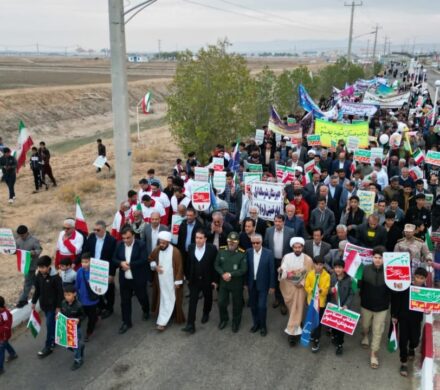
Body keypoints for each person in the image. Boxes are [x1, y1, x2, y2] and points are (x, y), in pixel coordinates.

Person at [391, 267, 428, 377]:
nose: (419, 280)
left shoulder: (426, 292)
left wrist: (428, 309)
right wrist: (395, 315)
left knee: (415, 340)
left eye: (421, 278)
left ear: (425, 279)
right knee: (403, 340)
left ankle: (411, 348)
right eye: (417, 277)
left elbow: (429, 305)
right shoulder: (406, 287)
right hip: (403, 318)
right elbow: (397, 300)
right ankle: (404, 362)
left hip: (416, 320)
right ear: (414, 276)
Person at [113, 226, 150, 334]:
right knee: (124, 302)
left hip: (138, 278)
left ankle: (146, 310)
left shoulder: (141, 245)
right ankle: (126, 322)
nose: (126, 240)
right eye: (123, 238)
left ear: (133, 236)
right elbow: (114, 258)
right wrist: (120, 263)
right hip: (124, 280)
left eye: (128, 238)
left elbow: (144, 260)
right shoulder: (119, 245)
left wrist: (129, 265)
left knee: (142, 297)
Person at [359, 246, 390, 369]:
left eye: (380, 258)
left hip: (382, 306)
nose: (377, 260)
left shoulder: (390, 271)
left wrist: (397, 286)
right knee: (365, 325)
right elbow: (358, 285)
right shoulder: (364, 269)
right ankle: (365, 335)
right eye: (375, 257)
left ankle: (373, 354)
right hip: (366, 304)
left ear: (384, 259)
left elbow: (396, 289)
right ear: (372, 258)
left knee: (377, 331)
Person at [182, 229, 218, 334]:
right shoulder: (191, 247)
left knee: (208, 298)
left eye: (200, 238)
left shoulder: (212, 249)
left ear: (205, 239)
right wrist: (188, 277)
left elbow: (215, 266)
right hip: (194, 280)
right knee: (192, 302)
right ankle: (190, 324)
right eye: (196, 238)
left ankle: (206, 313)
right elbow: (188, 263)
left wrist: (215, 280)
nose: (198, 240)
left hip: (207, 280)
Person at [279, 237, 313, 346]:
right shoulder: (287, 257)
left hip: (300, 289)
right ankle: (297, 324)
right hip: (288, 287)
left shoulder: (308, 259)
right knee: (292, 309)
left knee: (297, 309)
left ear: (302, 247)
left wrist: (302, 283)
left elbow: (310, 275)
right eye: (295, 247)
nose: (297, 249)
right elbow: (283, 271)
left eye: (299, 247)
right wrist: (281, 271)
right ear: (292, 247)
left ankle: (292, 334)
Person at [149, 231, 185, 331]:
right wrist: (155, 266)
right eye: (160, 242)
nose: (161, 245)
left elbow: (179, 268)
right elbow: (150, 259)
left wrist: (178, 281)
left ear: (168, 242)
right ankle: (162, 321)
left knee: (171, 299)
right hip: (160, 281)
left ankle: (162, 321)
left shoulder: (175, 252)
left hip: (171, 281)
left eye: (164, 243)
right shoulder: (157, 249)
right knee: (164, 299)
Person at [83, 220, 117, 319]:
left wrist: (112, 274)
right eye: (94, 229)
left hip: (106, 270)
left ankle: (109, 308)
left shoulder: (111, 241)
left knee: (109, 291)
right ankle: (101, 307)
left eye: (98, 230)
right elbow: (86, 250)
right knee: (96, 289)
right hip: (94, 268)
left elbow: (113, 259)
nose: (96, 232)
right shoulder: (92, 237)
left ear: (104, 229)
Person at [215, 232, 247, 333]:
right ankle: (224, 319)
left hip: (236, 283)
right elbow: (216, 264)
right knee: (221, 303)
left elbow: (243, 269)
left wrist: (230, 274)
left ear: (238, 243)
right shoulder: (221, 250)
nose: (231, 243)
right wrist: (222, 274)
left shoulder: (242, 253)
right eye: (230, 241)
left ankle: (235, 322)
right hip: (224, 282)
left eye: (234, 242)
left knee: (237, 304)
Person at [31, 256, 63, 358]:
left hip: (53, 307)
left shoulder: (56, 278)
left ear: (49, 266)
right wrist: (33, 302)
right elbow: (37, 290)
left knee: (49, 325)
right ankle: (55, 339)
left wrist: (58, 307)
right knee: (52, 324)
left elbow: (60, 294)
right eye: (39, 267)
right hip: (44, 305)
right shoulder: (38, 275)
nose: (41, 269)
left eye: (43, 267)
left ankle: (48, 347)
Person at [264, 214, 295, 315]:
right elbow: (266, 244)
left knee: (284, 282)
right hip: (273, 260)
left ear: (284, 222)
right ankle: (277, 299)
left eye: (279, 221)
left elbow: (292, 247)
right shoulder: (269, 231)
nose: (277, 223)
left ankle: (283, 303)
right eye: (276, 221)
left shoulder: (290, 231)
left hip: (284, 261)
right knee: (275, 281)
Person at [245, 234, 275, 336]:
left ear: (261, 242)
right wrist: (245, 283)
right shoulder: (248, 252)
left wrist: (272, 286)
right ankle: (256, 324)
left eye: (257, 242)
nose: (255, 245)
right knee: (253, 306)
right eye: (253, 243)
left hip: (263, 285)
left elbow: (272, 271)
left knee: (261, 306)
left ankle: (263, 326)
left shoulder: (269, 253)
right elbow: (246, 269)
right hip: (251, 284)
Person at [304, 256, 330, 353]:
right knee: (311, 319)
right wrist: (313, 290)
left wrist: (320, 291)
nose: (318, 267)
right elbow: (307, 286)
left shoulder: (326, 276)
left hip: (320, 303)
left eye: (321, 265)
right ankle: (313, 334)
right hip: (311, 301)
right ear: (313, 264)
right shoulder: (310, 274)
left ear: (323, 265)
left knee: (318, 322)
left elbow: (326, 290)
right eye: (316, 264)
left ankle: (316, 340)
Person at [329, 259, 354, 355]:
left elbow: (351, 294)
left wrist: (347, 305)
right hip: (334, 306)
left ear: (344, 268)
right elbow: (328, 290)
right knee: (334, 326)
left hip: (344, 308)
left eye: (340, 267)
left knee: (341, 328)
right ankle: (334, 336)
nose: (338, 270)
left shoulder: (349, 279)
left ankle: (340, 345)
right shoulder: (332, 277)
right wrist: (330, 290)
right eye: (336, 267)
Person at [15, 225, 43, 308]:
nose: (21, 237)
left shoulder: (34, 240)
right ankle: (43, 289)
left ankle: (23, 300)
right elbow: (16, 251)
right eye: (19, 235)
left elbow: (39, 250)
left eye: (22, 235)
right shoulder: (18, 241)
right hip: (23, 264)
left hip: (31, 265)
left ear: (27, 233)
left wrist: (33, 252)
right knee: (33, 280)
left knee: (27, 282)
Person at [60, 284, 85, 370]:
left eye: (69, 295)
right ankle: (80, 347)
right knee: (67, 345)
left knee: (74, 345)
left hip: (76, 329)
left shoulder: (79, 305)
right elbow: (62, 314)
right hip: (66, 328)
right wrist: (58, 317)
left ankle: (78, 360)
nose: (67, 297)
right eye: (65, 295)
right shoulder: (63, 303)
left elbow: (83, 315)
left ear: (74, 294)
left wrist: (78, 319)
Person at [75, 253, 99, 342]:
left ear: (91, 262)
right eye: (82, 262)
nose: (84, 264)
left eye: (86, 262)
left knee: (91, 317)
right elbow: (77, 284)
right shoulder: (79, 271)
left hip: (92, 299)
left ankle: (89, 332)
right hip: (82, 299)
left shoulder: (95, 272)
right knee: (86, 314)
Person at [0, 296, 18, 375]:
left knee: (1, 351)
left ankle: (0, 368)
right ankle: (13, 354)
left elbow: (7, 326)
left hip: (3, 336)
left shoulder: (4, 314)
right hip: (2, 336)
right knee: (5, 345)